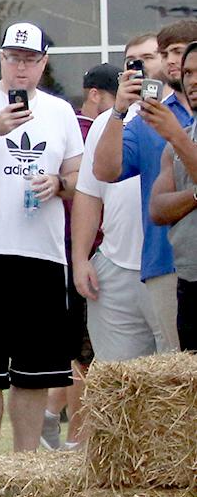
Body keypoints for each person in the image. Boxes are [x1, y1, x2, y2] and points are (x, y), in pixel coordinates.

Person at [0, 23, 83, 458]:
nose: (20, 67)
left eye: (29, 59)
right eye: (13, 57)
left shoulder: (61, 111)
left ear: (44, 62)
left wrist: (59, 182)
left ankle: (25, 461)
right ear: (1, 59)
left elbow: (80, 176)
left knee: (36, 370)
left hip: (41, 252)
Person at [93, 19, 197, 351]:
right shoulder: (150, 117)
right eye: (165, 53)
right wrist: (119, 111)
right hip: (164, 261)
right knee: (179, 376)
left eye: (179, 52)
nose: (171, 62)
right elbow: (106, 171)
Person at [72, 60, 151, 367]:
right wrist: (81, 260)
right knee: (117, 383)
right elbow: (89, 195)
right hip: (114, 266)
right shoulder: (106, 122)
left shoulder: (181, 118)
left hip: (167, 268)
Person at [146, 55, 197, 344]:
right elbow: (158, 209)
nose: (192, 80)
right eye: (188, 72)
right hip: (189, 278)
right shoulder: (179, 139)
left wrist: (177, 137)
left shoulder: (177, 137)